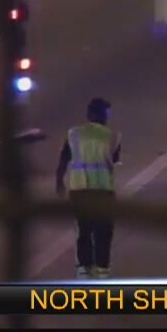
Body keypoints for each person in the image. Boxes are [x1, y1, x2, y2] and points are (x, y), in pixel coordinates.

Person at [56, 97, 121, 279]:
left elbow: (64, 158)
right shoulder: (112, 136)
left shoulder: (74, 134)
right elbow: (114, 159)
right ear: (101, 116)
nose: (106, 118)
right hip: (103, 192)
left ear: (88, 115)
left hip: (79, 192)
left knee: (83, 231)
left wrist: (59, 180)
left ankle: (83, 270)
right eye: (106, 115)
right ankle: (102, 272)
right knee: (103, 233)